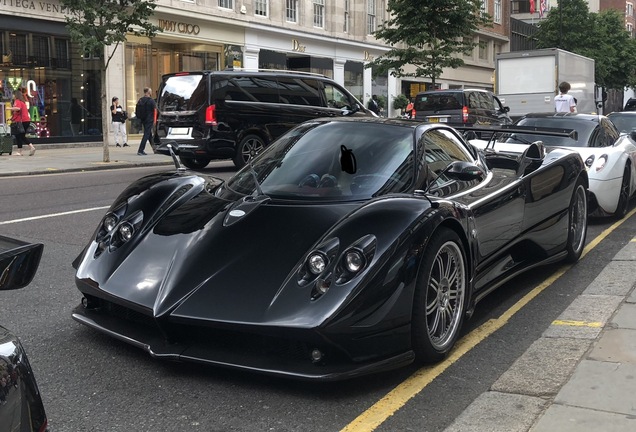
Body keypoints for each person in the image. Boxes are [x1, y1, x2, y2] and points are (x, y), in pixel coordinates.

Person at [9, 89, 35, 156]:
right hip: (26, 120)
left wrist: (9, 108)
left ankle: (22, 151)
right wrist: (11, 118)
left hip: (22, 121)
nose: (12, 96)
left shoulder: (17, 101)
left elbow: (18, 109)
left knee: (19, 136)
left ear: (16, 95)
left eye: (13, 94)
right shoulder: (22, 102)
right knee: (21, 136)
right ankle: (29, 148)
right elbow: (17, 113)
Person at [136, 87, 156, 156]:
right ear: (148, 92)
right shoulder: (151, 101)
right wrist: (155, 120)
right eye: (150, 91)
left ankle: (155, 148)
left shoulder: (140, 100)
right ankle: (140, 150)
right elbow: (155, 110)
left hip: (143, 119)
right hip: (149, 119)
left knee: (149, 134)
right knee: (146, 134)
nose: (151, 92)